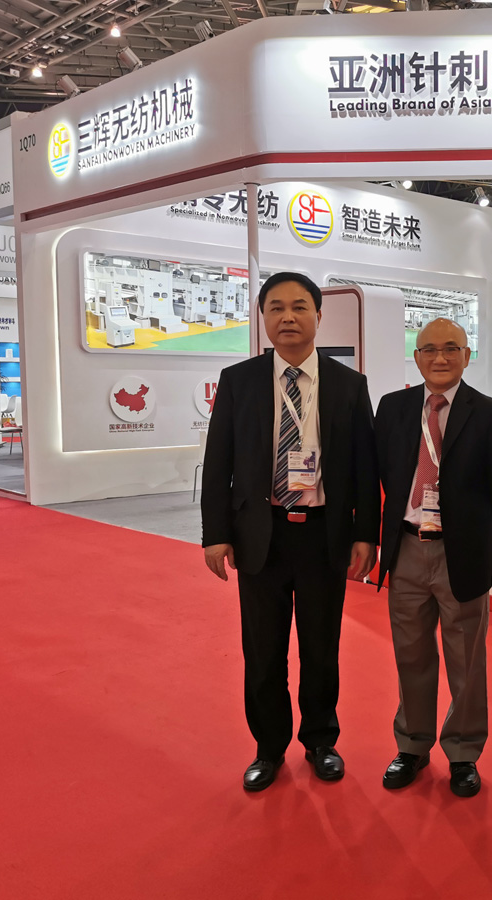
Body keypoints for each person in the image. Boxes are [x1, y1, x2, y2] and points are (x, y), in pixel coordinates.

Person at [201, 271, 380, 792]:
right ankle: (269, 747)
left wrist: (365, 533)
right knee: (263, 651)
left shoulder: (349, 384)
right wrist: (215, 533)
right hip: (262, 535)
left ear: (319, 316)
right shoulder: (239, 380)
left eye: (300, 307)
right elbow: (218, 462)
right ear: (263, 317)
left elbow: (364, 468)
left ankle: (321, 741)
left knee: (321, 648)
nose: (288, 317)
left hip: (324, 535)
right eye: (276, 308)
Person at [373, 318, 492, 797]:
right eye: (429, 349)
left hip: (460, 551)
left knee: (466, 658)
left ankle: (464, 751)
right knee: (410, 652)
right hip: (407, 545)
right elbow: (377, 475)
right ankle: (412, 743)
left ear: (468, 356)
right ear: (417, 357)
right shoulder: (392, 407)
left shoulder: (491, 414)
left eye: (452, 348)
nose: (440, 358)